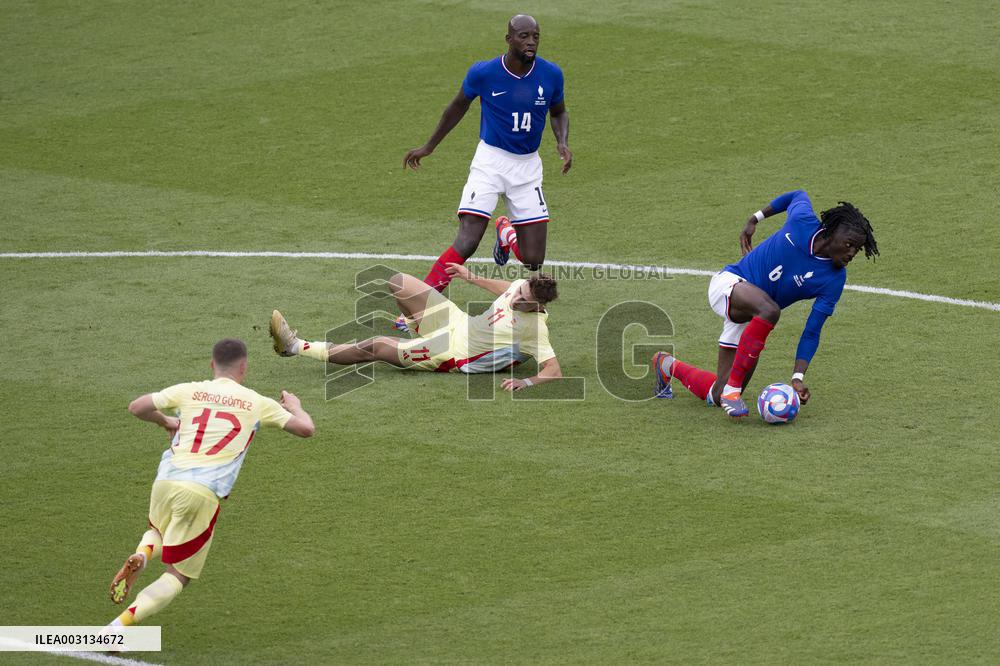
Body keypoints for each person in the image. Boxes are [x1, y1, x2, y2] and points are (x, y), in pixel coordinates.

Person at [105, 339, 315, 628]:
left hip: (166, 480)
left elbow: (137, 407)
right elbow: (306, 429)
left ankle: (142, 553)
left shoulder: (190, 389)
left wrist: (166, 421)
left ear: (211, 364)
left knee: (157, 530)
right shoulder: (256, 402)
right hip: (201, 492)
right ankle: (117, 629)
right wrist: (295, 406)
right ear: (244, 367)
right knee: (178, 575)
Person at [651, 190, 879, 418]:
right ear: (832, 233)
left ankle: (667, 365)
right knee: (770, 310)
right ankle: (733, 392)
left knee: (716, 396)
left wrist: (797, 378)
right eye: (849, 244)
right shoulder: (802, 221)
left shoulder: (833, 280)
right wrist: (755, 219)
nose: (852, 253)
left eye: (857, 249)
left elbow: (812, 331)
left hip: (751, 318)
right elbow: (797, 195)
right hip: (729, 285)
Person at [402, 14, 572, 298]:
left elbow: (559, 111)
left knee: (533, 260)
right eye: (524, 36)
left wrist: (562, 142)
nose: (531, 42)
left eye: (535, 36)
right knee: (467, 240)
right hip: (490, 163)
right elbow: (457, 107)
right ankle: (422, 301)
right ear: (509, 39)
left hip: (528, 167)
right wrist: (429, 146)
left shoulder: (551, 74)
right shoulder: (483, 73)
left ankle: (506, 232)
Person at [270, 265, 562, 391]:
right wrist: (470, 277)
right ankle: (415, 333)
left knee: (378, 346)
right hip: (456, 321)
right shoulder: (520, 289)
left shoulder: (534, 329)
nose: (516, 298)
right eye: (521, 291)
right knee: (398, 282)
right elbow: (506, 289)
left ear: (537, 306)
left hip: (451, 352)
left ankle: (295, 347)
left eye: (524, 300)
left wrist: (525, 383)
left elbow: (554, 371)